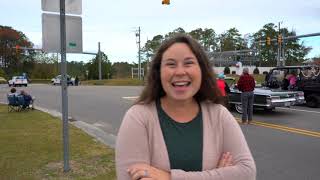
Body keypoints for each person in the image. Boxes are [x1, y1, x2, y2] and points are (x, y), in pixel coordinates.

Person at [116, 34, 256, 180]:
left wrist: (169, 177)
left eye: (188, 63)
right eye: (171, 64)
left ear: (201, 70)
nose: (180, 72)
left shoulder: (219, 115)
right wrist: (218, 175)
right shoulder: (138, 117)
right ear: (158, 72)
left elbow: (247, 173)